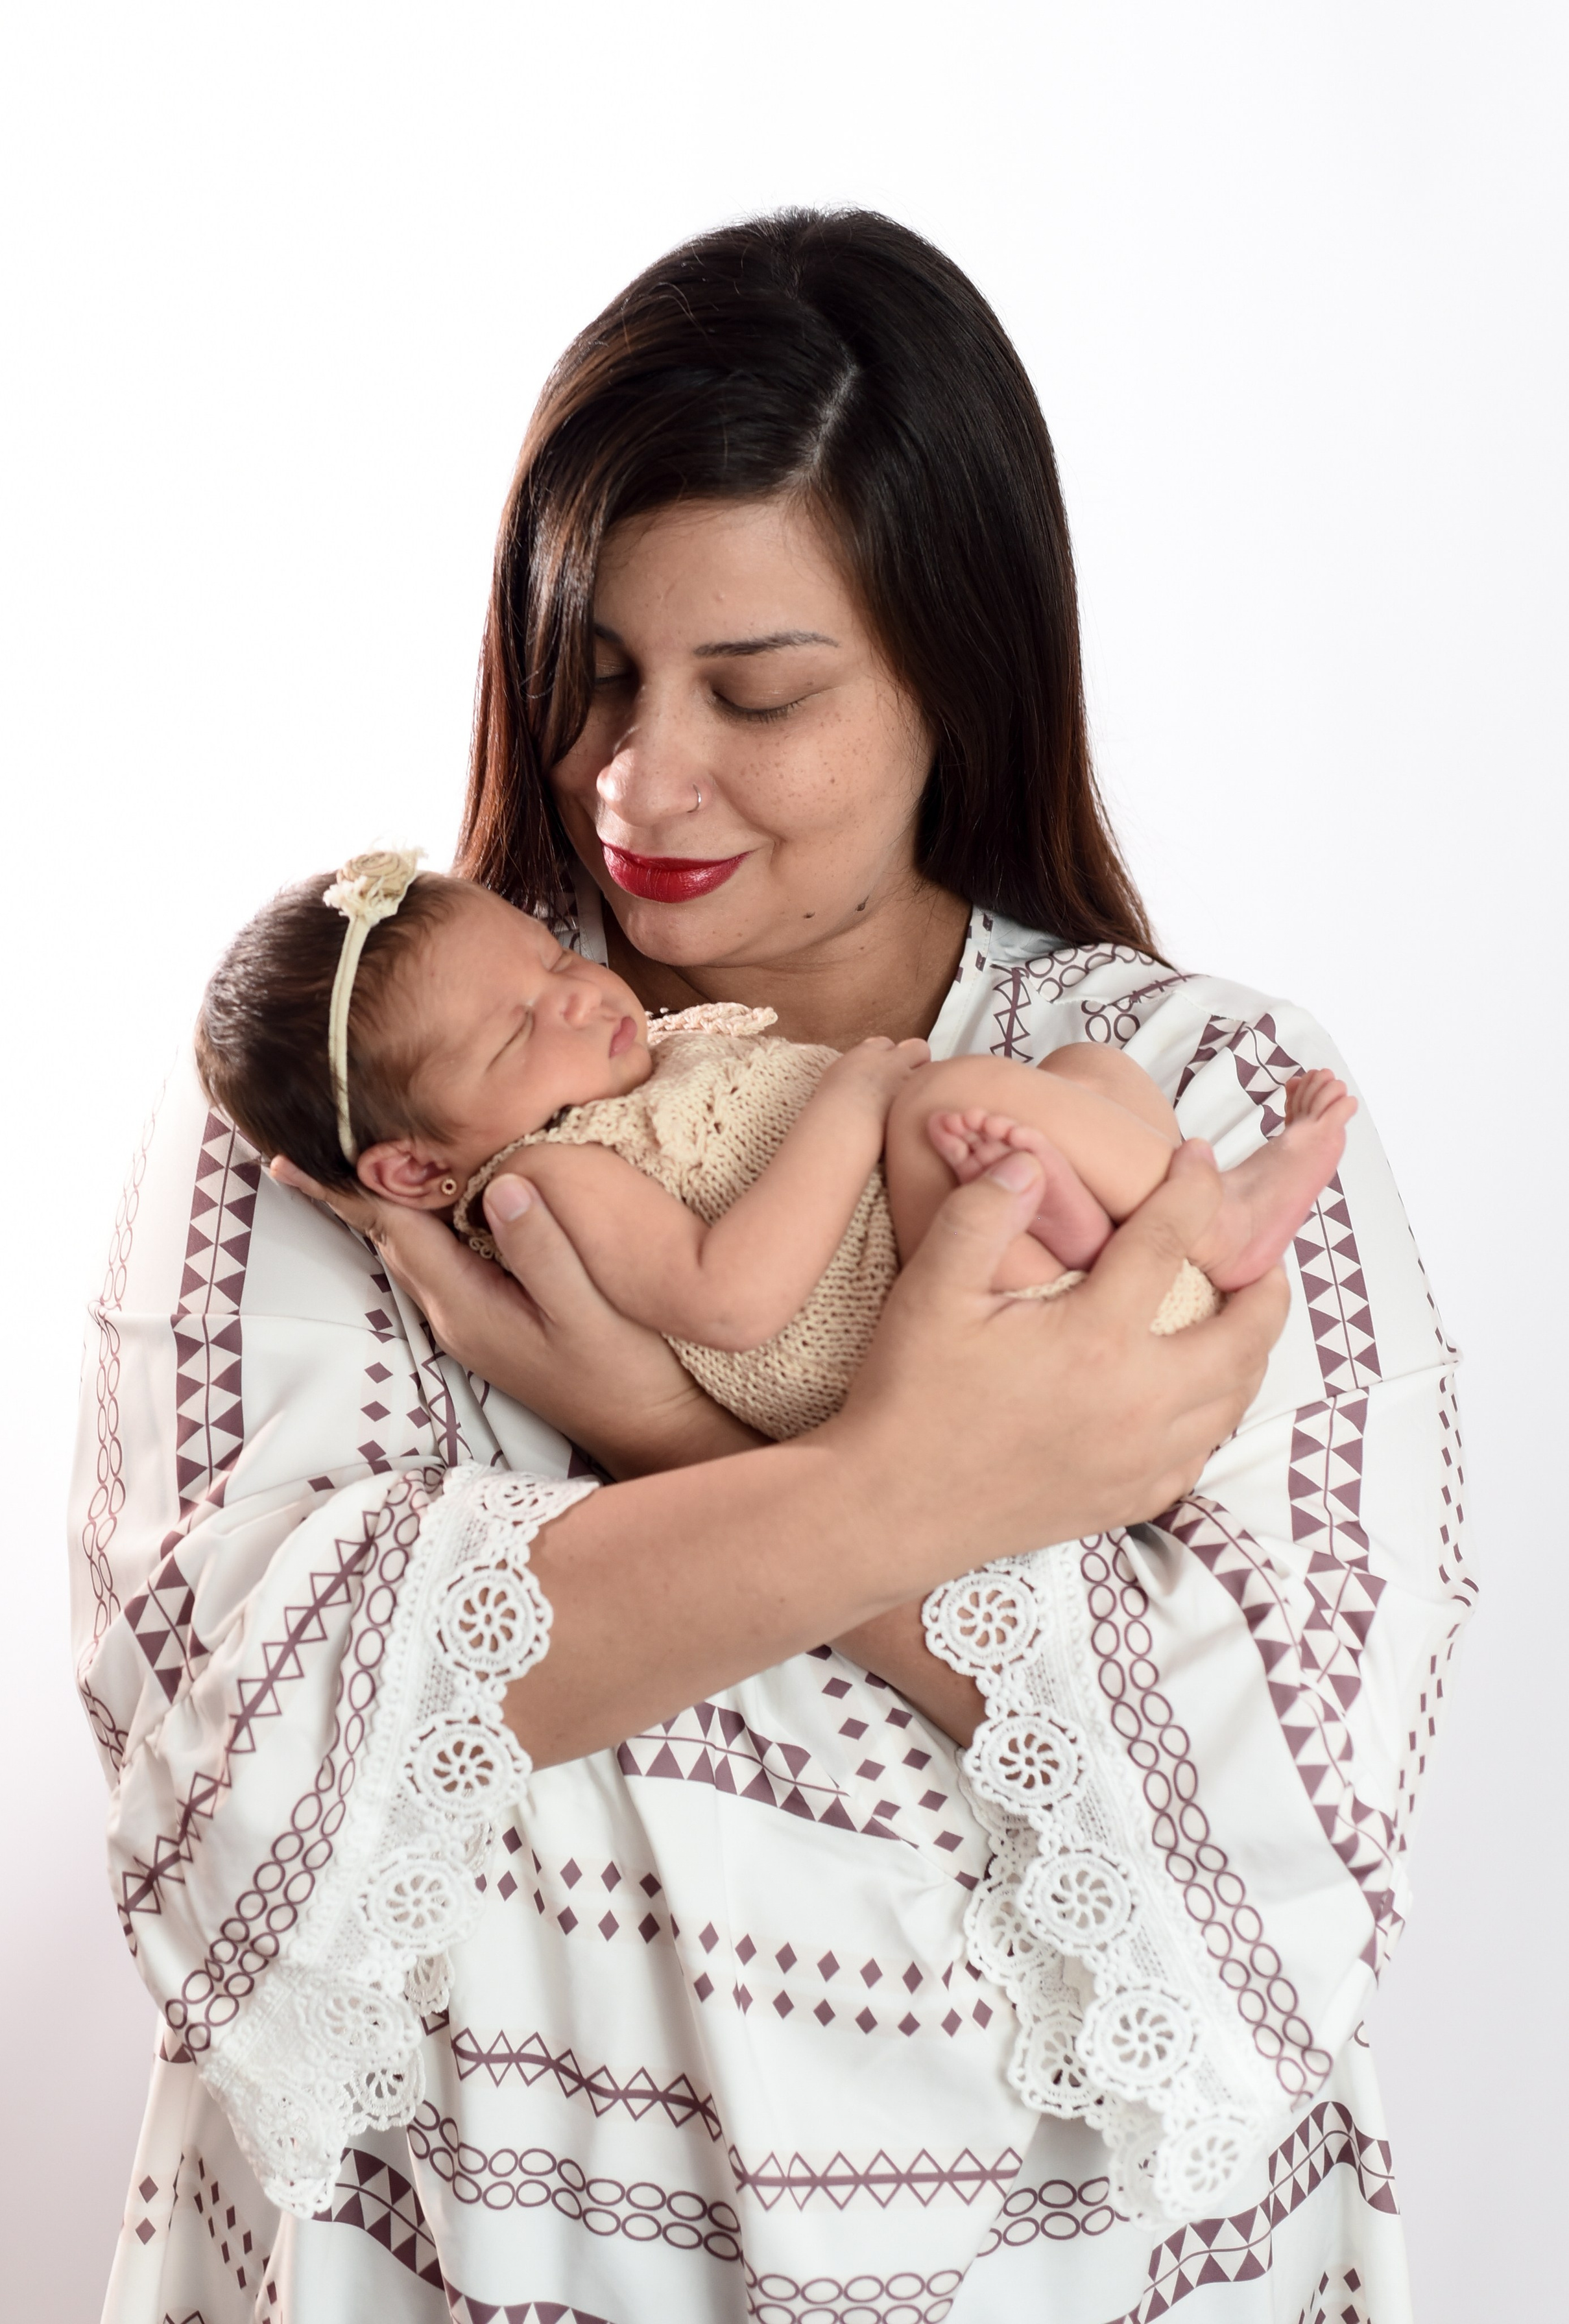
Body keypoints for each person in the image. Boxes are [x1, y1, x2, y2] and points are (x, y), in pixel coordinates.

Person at [73, 210, 1467, 2323]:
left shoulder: (1201, 1087)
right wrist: (925, 1495)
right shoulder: (356, 1103)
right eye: (596, 671)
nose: (639, 779)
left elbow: (1267, 1854)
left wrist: (622, 1471)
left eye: (758, 688)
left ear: (953, 673)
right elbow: (241, 1770)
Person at [194, 856, 1358, 1443]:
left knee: (1087, 1078)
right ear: (416, 1168)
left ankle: (1093, 1224)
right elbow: (732, 1299)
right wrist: (853, 1107)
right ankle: (1218, 1217)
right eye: (513, 1031)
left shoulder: (643, 1060)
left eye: (550, 961)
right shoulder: (548, 1178)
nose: (574, 997)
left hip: (999, 1288)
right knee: (936, 1106)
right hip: (892, 1340)